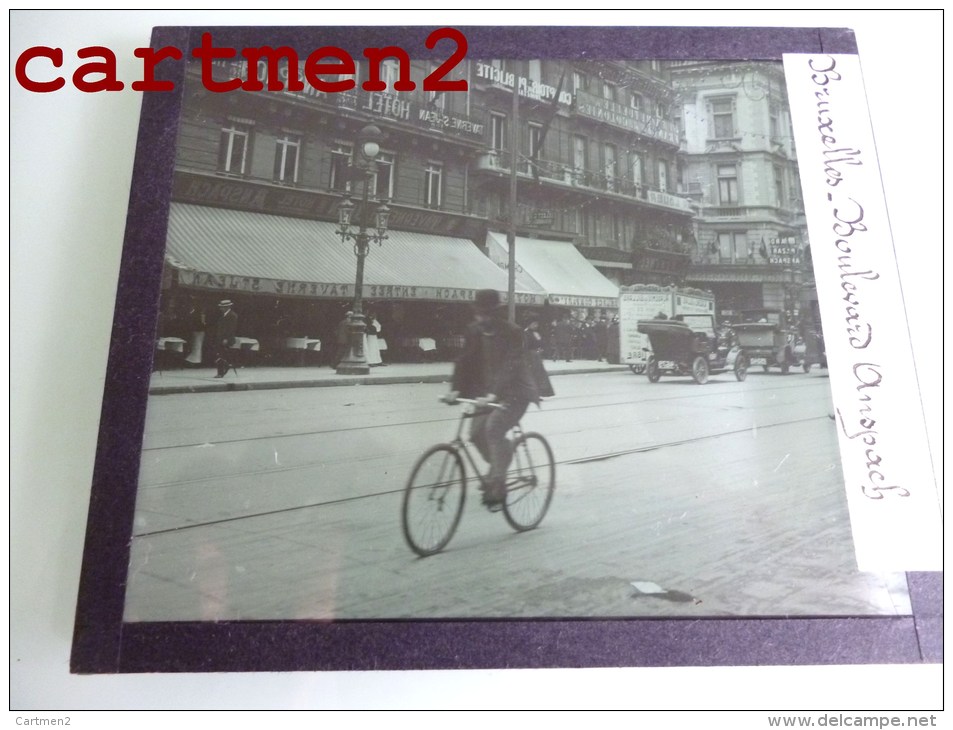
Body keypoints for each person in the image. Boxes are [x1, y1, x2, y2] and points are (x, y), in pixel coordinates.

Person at [444, 289, 540, 509]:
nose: (483, 319)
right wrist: (455, 390)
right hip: (488, 393)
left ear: (496, 313)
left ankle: (497, 483)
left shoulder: (513, 332)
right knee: (475, 434)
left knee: (494, 427)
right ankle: (499, 467)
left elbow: (511, 365)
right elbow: (464, 360)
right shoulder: (474, 331)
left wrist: (493, 394)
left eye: (487, 314)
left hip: (516, 392)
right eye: (479, 314)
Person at [212, 299, 238, 378]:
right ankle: (225, 367)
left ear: (227, 307)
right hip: (221, 338)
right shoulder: (224, 315)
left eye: (222, 307)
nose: (221, 309)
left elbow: (231, 329)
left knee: (221, 355)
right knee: (221, 355)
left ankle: (221, 372)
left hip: (226, 339)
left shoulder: (232, 315)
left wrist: (226, 338)